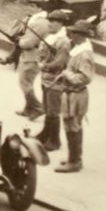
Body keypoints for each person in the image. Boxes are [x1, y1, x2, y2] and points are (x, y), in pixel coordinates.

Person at [55, 20, 95, 173]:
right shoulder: (78, 50)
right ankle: (73, 157)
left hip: (77, 94)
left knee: (74, 126)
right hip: (70, 92)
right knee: (69, 125)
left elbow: (85, 78)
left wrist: (67, 75)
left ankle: (76, 161)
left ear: (81, 35)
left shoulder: (84, 54)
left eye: (74, 33)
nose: (71, 35)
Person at [36, 10, 71, 151]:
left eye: (53, 21)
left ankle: (54, 141)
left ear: (61, 24)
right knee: (47, 109)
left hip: (56, 80)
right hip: (46, 78)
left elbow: (60, 63)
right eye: (49, 20)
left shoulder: (63, 41)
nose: (50, 24)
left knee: (53, 111)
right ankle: (45, 134)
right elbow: (42, 54)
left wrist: (44, 65)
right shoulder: (51, 37)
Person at [14, 9, 51, 119]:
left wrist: (20, 41)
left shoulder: (39, 23)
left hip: (32, 56)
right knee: (27, 82)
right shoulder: (41, 21)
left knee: (25, 83)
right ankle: (28, 108)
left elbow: (29, 42)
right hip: (33, 56)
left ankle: (37, 107)